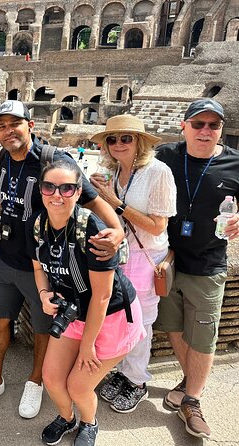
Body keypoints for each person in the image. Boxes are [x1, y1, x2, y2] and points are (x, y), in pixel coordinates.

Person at [0, 100, 123, 417]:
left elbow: (91, 200)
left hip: (44, 263)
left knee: (42, 327)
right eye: (2, 126)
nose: (9, 131)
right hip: (5, 255)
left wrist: (117, 230)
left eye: (15, 124)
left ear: (30, 126)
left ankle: (35, 382)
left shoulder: (53, 160)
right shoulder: (2, 158)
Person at [27, 159, 145, 446]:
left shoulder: (92, 229)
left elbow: (102, 296)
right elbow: (38, 267)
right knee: (52, 379)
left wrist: (88, 344)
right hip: (74, 313)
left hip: (112, 317)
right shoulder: (39, 225)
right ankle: (67, 418)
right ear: (41, 191)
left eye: (67, 188)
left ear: (79, 193)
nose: (57, 194)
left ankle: (89, 423)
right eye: (49, 187)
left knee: (79, 386)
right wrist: (44, 295)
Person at [152, 98, 239, 439]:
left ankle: (192, 399)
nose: (206, 131)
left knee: (203, 335)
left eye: (213, 125)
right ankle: (191, 383)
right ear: (184, 126)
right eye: (198, 124)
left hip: (208, 263)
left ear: (221, 130)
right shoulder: (164, 155)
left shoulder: (235, 163)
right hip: (168, 261)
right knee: (173, 326)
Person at [88, 115, 177, 414]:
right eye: (111, 139)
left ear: (139, 142)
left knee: (140, 320)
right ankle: (123, 371)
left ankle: (137, 380)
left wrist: (115, 202)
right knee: (118, 316)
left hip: (144, 256)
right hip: (121, 254)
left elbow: (156, 226)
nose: (118, 144)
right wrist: (95, 194)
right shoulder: (111, 173)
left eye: (126, 138)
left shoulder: (158, 172)